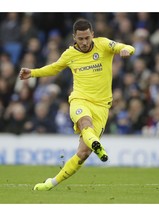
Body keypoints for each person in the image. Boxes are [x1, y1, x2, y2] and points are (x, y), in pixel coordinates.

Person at [19, 18, 135, 191]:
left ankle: (51, 183)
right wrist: (33, 73)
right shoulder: (70, 54)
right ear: (74, 37)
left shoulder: (103, 44)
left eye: (87, 38)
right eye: (80, 39)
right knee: (84, 122)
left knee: (82, 153)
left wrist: (126, 50)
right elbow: (54, 68)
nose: (84, 42)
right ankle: (96, 144)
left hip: (102, 107)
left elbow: (126, 47)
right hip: (79, 99)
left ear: (92, 35)